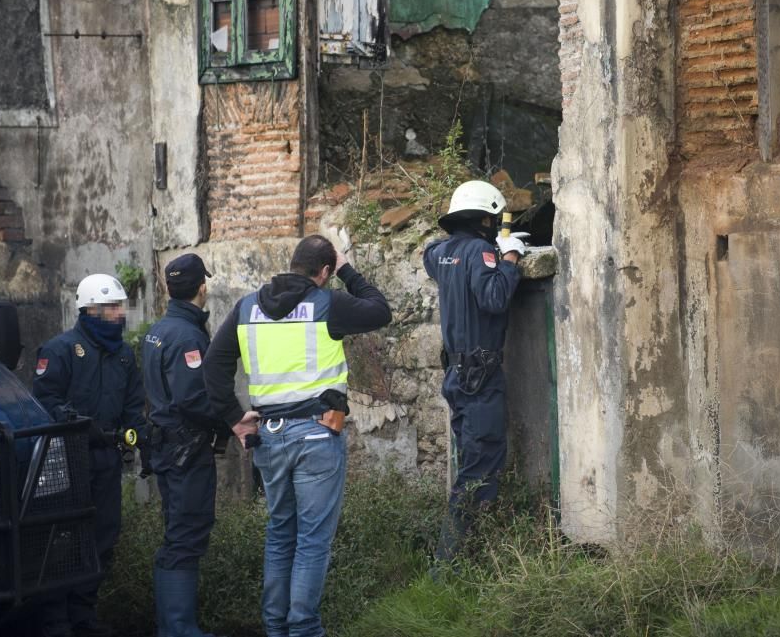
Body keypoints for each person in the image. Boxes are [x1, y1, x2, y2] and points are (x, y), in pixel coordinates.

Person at [202, 234, 391, 637]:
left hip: (268, 437)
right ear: (323, 272)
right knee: (312, 539)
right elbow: (380, 310)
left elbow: (213, 365)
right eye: (329, 270)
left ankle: (276, 628)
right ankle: (303, 629)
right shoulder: (328, 302)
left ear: (291, 263)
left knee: (280, 532)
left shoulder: (248, 307)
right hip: (317, 435)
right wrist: (347, 269)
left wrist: (235, 419)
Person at [33, 273, 148, 637]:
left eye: (119, 306)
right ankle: (55, 620)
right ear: (89, 310)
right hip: (65, 458)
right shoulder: (60, 350)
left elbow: (133, 405)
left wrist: (138, 437)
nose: (118, 314)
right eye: (110, 308)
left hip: (106, 458)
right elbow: (45, 401)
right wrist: (78, 424)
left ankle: (84, 617)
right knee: (62, 538)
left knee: (103, 536)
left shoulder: (124, 355)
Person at [422, 180, 526, 562]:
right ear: (485, 218)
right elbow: (495, 298)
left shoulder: (440, 253)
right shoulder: (482, 250)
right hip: (480, 378)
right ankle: (447, 565)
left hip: (457, 376)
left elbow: (434, 257)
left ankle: (469, 556)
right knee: (479, 469)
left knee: (470, 459)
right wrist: (510, 259)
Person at [142, 254, 228, 637]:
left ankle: (171, 626)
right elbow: (193, 399)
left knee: (176, 534)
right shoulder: (187, 335)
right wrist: (232, 418)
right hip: (185, 450)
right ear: (202, 288)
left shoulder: (159, 330)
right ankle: (180, 628)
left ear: (167, 287)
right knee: (187, 536)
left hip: (166, 446)